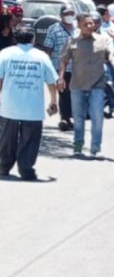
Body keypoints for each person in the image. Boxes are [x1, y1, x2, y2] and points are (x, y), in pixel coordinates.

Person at [0, 27, 58, 180]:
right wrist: (53, 101)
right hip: (33, 106)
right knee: (30, 139)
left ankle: (3, 166)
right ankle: (26, 169)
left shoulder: (5, 54)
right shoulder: (41, 56)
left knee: (6, 138)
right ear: (33, 39)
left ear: (15, 39)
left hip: (9, 105)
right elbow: (52, 82)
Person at [59, 13, 111, 157]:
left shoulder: (102, 40)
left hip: (97, 85)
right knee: (78, 118)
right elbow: (63, 61)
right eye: (86, 24)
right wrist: (61, 78)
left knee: (97, 117)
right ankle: (78, 145)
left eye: (92, 23)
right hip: (78, 85)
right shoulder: (72, 41)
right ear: (79, 25)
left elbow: (109, 55)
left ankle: (95, 148)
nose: (90, 26)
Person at [42, 5, 76, 131]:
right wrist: (47, 66)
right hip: (60, 66)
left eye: (72, 12)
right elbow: (48, 49)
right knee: (64, 92)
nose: (70, 15)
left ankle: (70, 116)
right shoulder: (54, 29)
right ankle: (65, 118)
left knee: (73, 93)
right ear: (61, 15)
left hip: (77, 67)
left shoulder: (78, 28)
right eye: (67, 13)